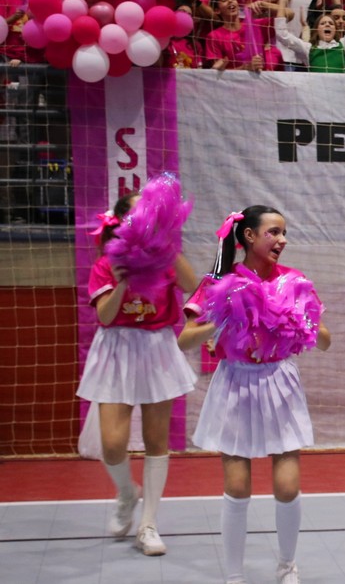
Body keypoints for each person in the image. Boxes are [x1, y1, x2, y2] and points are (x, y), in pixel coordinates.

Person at [178, 206, 332, 584]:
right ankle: (234, 575)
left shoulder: (294, 280)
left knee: (288, 486)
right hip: (235, 382)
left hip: (280, 381)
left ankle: (287, 566)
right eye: (274, 232)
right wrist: (222, 317)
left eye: (284, 232)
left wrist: (302, 321)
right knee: (237, 487)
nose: (282, 240)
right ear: (249, 236)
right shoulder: (219, 282)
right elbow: (185, 340)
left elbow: (325, 340)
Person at [76, 192, 198, 556]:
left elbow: (192, 285)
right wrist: (122, 284)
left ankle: (148, 525)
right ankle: (127, 493)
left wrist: (166, 244)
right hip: (116, 347)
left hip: (156, 346)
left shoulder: (165, 258)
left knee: (156, 441)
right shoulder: (107, 263)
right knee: (113, 445)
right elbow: (105, 316)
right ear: (123, 222)